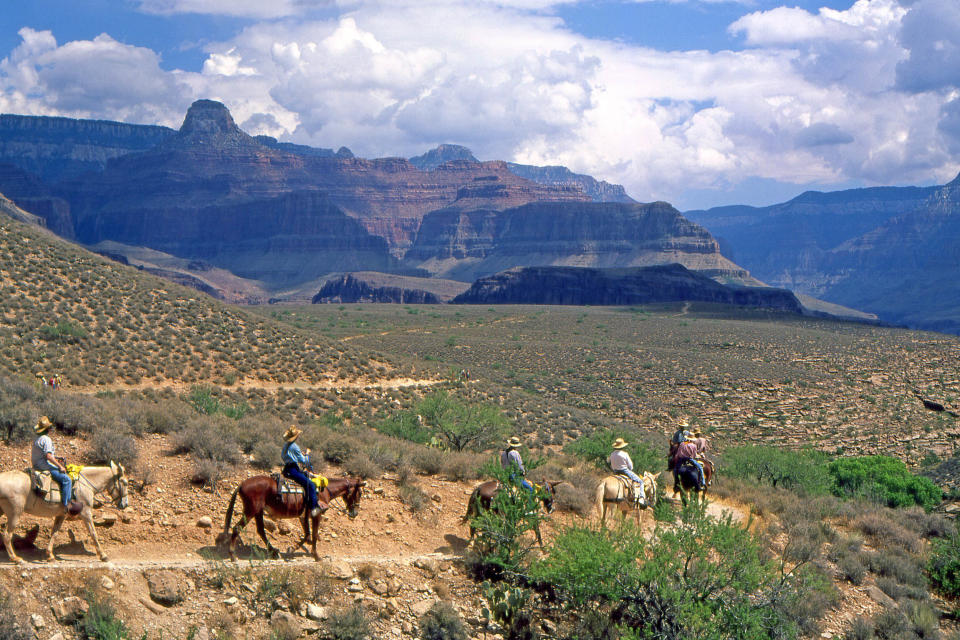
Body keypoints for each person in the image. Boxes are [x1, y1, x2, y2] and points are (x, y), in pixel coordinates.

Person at [32, 416, 83, 516]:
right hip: (44, 466)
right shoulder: (46, 439)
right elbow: (48, 456)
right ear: (48, 429)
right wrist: (60, 466)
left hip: (37, 464)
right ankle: (66, 505)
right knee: (67, 479)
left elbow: (45, 455)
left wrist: (56, 458)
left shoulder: (37, 439)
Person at [281, 426, 328, 518]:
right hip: (293, 469)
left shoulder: (286, 445)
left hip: (287, 468)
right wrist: (307, 454)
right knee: (311, 485)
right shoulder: (295, 447)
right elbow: (304, 461)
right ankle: (314, 508)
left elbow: (285, 456)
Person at [609, 438, 646, 505]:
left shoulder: (612, 454)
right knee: (641, 481)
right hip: (625, 471)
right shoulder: (624, 454)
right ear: (623, 446)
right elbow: (631, 466)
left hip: (615, 472)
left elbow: (612, 465)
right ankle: (641, 498)